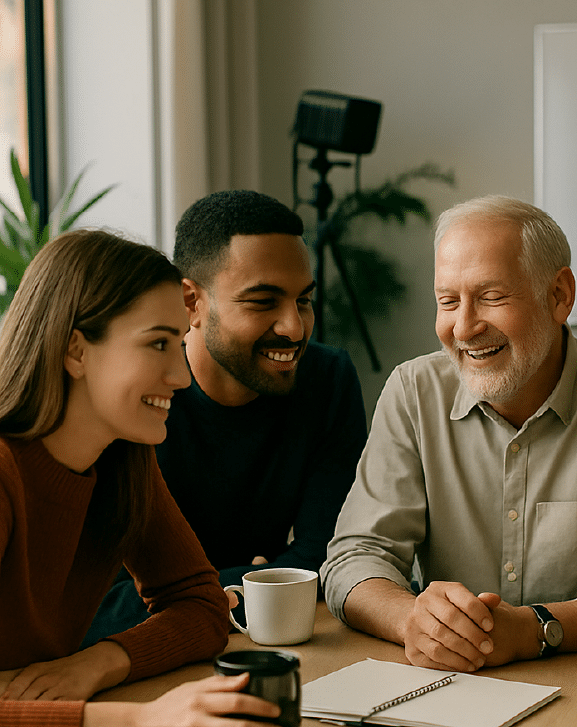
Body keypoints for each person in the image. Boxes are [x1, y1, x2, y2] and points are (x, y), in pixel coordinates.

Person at [321, 196, 577, 672]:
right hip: (449, 681)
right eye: (448, 301)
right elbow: (355, 556)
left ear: (559, 296)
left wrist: (533, 629)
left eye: (491, 297)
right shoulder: (412, 391)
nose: (464, 327)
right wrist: (412, 620)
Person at [0, 229, 284, 727]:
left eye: (180, 344)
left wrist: (95, 665)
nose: (180, 376)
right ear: (75, 349)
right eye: (158, 344)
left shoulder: (121, 459)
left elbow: (202, 606)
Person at [84, 190, 367, 643]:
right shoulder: (138, 403)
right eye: (262, 302)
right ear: (191, 303)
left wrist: (207, 587)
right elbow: (97, 604)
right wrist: (261, 576)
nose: (294, 327)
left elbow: (330, 554)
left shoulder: (328, 379)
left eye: (304, 301)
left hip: (260, 641)